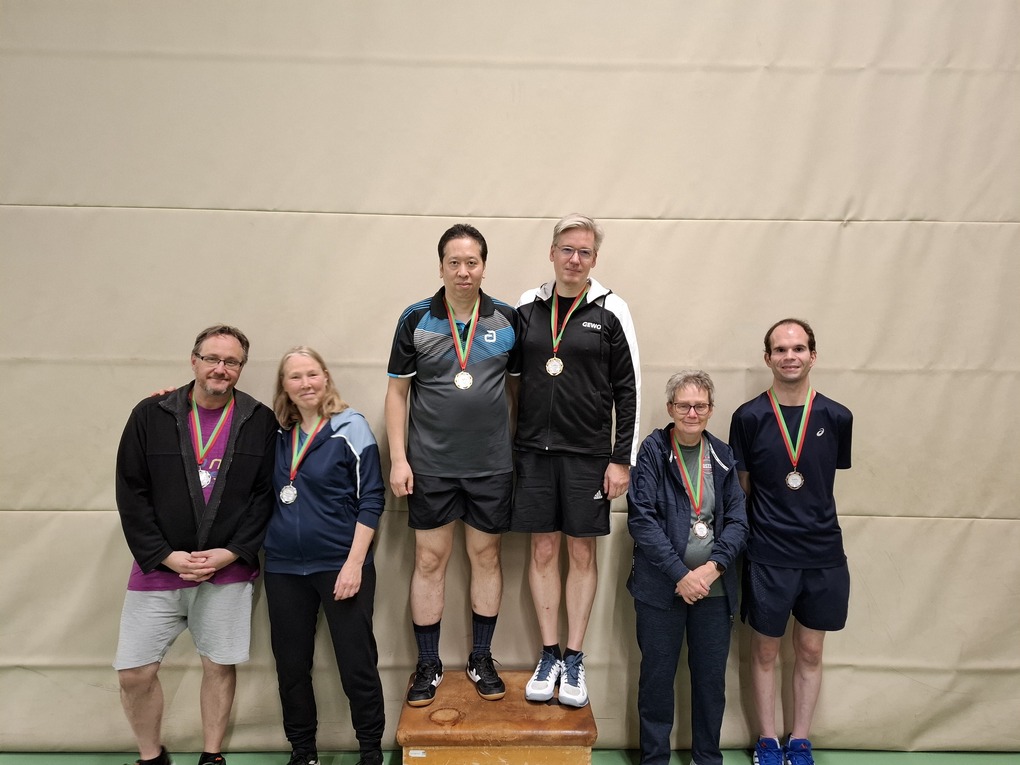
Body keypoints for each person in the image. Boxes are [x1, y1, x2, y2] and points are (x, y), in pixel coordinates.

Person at [114, 325, 277, 765]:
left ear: (241, 368)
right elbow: (131, 491)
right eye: (211, 359)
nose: (220, 368)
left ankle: (212, 755)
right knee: (135, 673)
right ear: (194, 361)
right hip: (158, 568)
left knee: (218, 666)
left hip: (227, 571)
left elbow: (264, 496)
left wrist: (232, 552)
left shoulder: (259, 420)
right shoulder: (151, 414)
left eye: (231, 361)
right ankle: (152, 756)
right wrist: (165, 555)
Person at [385, 223, 521, 707]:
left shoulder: (506, 319)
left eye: (472, 262)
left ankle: (481, 658)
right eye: (454, 263)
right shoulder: (416, 319)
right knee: (429, 561)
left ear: (484, 266)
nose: (464, 271)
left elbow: (518, 391)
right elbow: (397, 394)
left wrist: (515, 452)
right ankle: (428, 663)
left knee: (486, 558)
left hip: (491, 466)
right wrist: (398, 459)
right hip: (431, 465)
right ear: (441, 266)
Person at [514, 213, 641, 708]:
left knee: (582, 554)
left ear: (594, 259)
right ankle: (548, 654)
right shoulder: (527, 306)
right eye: (567, 249)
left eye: (584, 252)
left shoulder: (612, 309)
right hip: (533, 452)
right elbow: (509, 380)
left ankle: (574, 658)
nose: (574, 259)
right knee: (543, 551)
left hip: (589, 455)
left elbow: (629, 389)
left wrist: (621, 459)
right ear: (552, 252)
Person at [728, 319, 853, 765]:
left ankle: (800, 740)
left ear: (812, 356)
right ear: (768, 358)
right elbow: (743, 488)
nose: (789, 356)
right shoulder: (748, 417)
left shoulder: (837, 417)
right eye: (780, 349)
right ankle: (767, 740)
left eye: (798, 348)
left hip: (823, 554)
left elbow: (820, 482)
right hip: (768, 553)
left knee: (811, 650)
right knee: (765, 650)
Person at [264, 347, 386, 765]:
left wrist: (354, 564)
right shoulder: (275, 434)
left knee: (356, 664)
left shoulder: (351, 428)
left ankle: (370, 750)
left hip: (340, 565)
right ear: (284, 386)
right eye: (295, 377)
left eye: (312, 374)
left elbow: (372, 498)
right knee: (291, 668)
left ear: (326, 377)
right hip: (283, 568)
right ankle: (304, 752)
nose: (305, 384)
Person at [627, 370, 748, 765]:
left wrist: (713, 568)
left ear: (711, 410)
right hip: (662, 589)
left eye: (699, 406)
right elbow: (642, 520)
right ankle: (655, 759)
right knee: (657, 680)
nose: (692, 413)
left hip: (714, 590)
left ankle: (707, 758)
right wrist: (681, 575)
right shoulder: (652, 452)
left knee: (711, 682)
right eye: (684, 406)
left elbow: (738, 521)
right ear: (670, 409)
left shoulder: (723, 455)